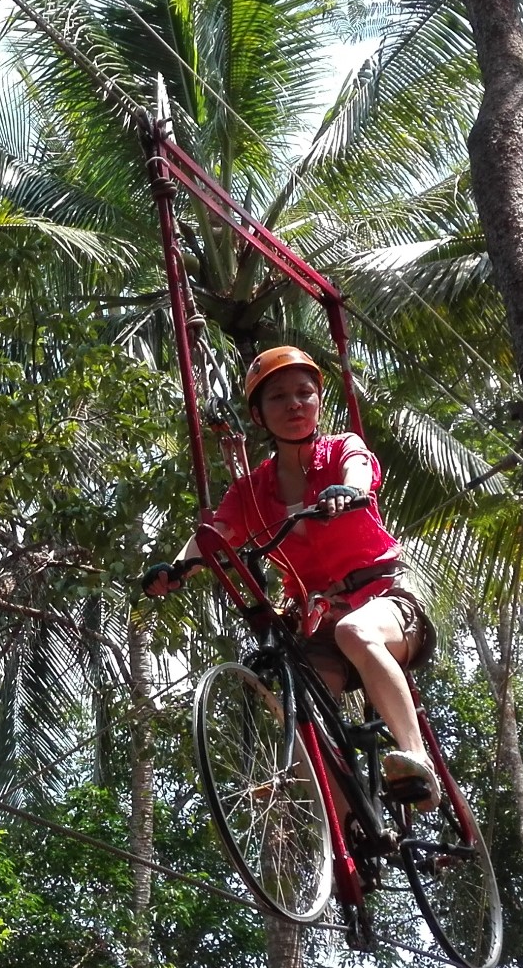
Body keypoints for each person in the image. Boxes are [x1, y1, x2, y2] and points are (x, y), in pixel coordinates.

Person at [143, 346, 439, 808]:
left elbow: (359, 470)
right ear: (259, 416)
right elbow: (214, 536)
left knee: (355, 630)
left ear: (319, 402)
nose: (294, 405)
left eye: (305, 393)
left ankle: (415, 759)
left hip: (386, 600)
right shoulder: (251, 491)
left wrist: (350, 491)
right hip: (318, 626)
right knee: (303, 711)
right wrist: (177, 567)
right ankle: (345, 841)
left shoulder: (341, 450)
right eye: (278, 397)